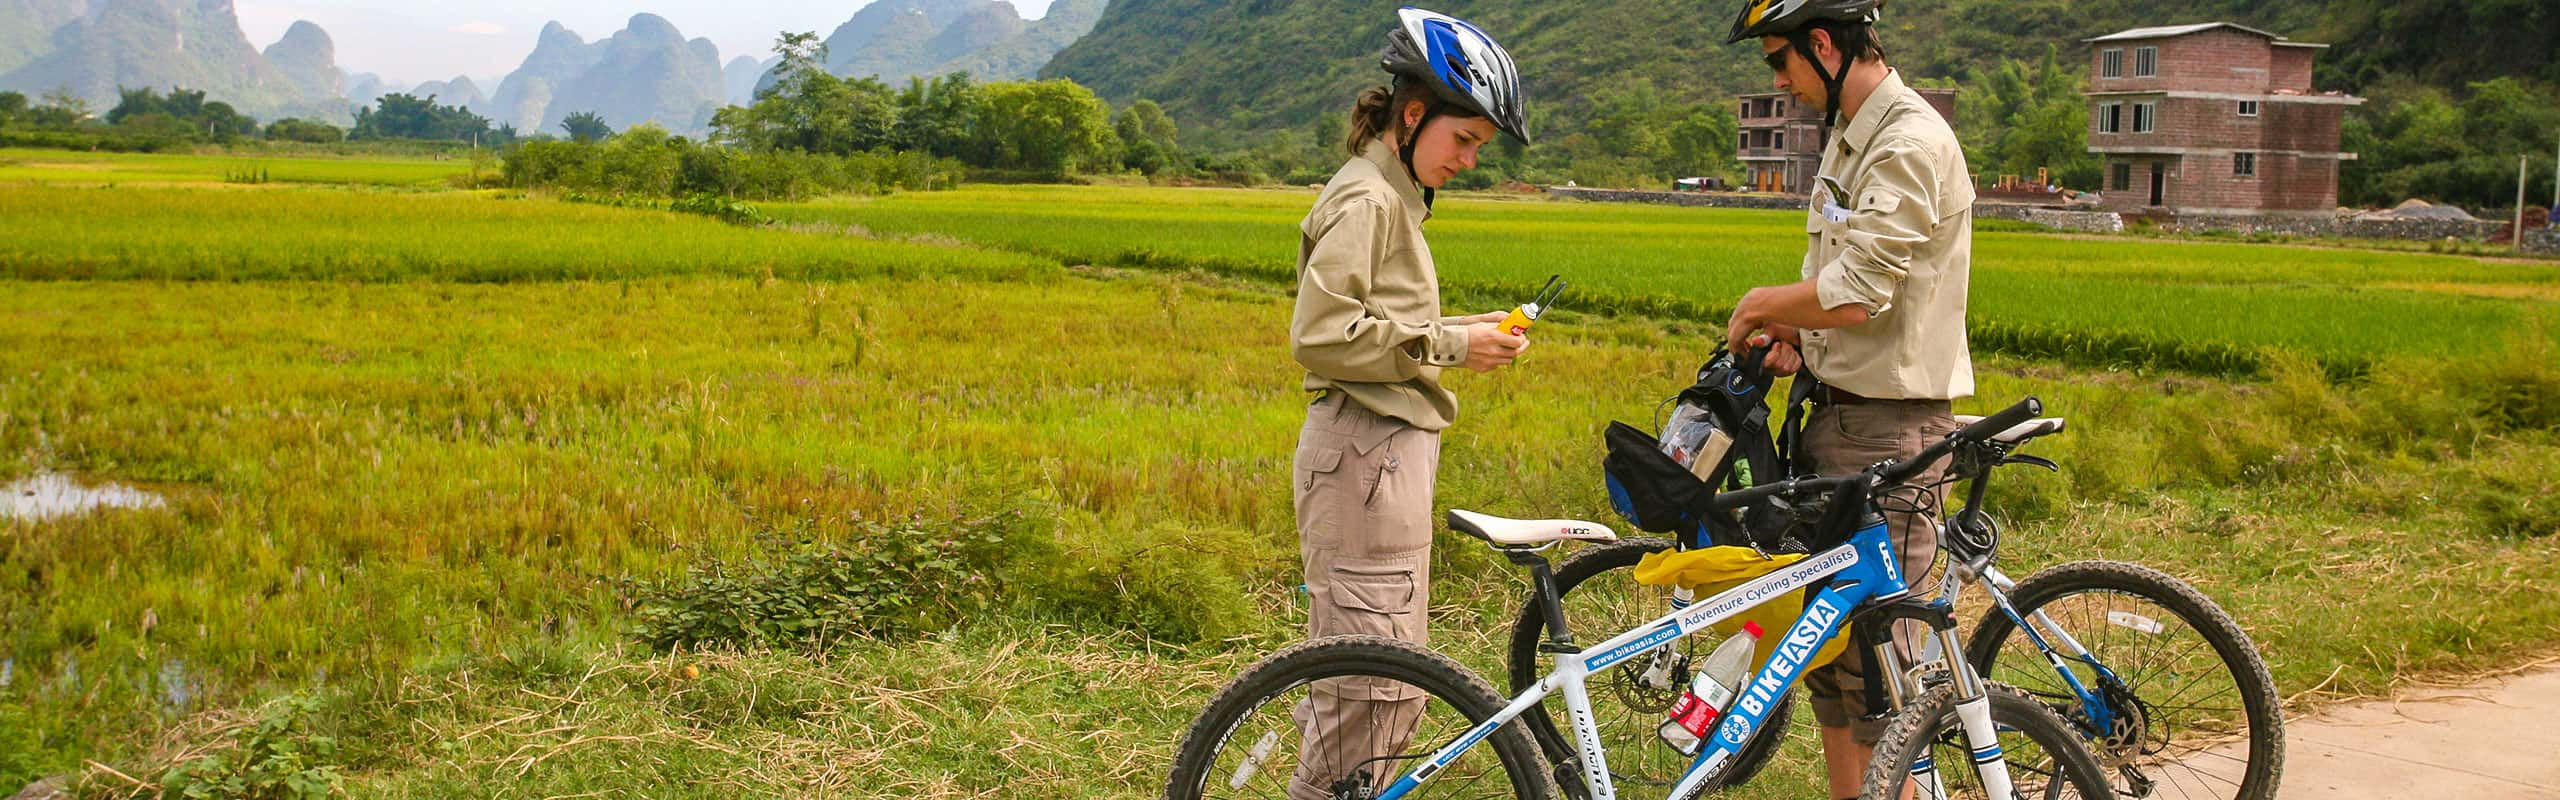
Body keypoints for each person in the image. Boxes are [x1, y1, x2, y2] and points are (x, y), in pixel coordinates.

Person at [1716, 1, 1976, 798]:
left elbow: (1861, 292)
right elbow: (1845, 288)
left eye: (1780, 62)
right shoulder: (1851, 134)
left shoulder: (1904, 141)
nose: (1781, 81)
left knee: (1884, 687)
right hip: (1839, 421)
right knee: (1834, 667)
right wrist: (1804, 342)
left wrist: (1762, 304)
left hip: (1885, 431)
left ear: (1822, 45)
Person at [1284, 7, 1531, 799]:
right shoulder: (1368, 201)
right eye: (1463, 140)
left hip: (1381, 460)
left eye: (1478, 149)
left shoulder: (1396, 198)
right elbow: (1323, 336)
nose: (1468, 160)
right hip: (1365, 458)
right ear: (1413, 113)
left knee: (1385, 688)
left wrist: (1465, 329)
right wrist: (1454, 347)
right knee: (1369, 693)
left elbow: (1382, 324)